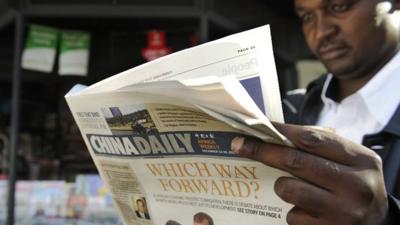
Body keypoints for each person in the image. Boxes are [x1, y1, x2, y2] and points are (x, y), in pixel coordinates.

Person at [231, 0, 400, 224]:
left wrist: (386, 219)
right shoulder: (290, 108)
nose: (320, 32)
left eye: (339, 7)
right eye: (307, 17)